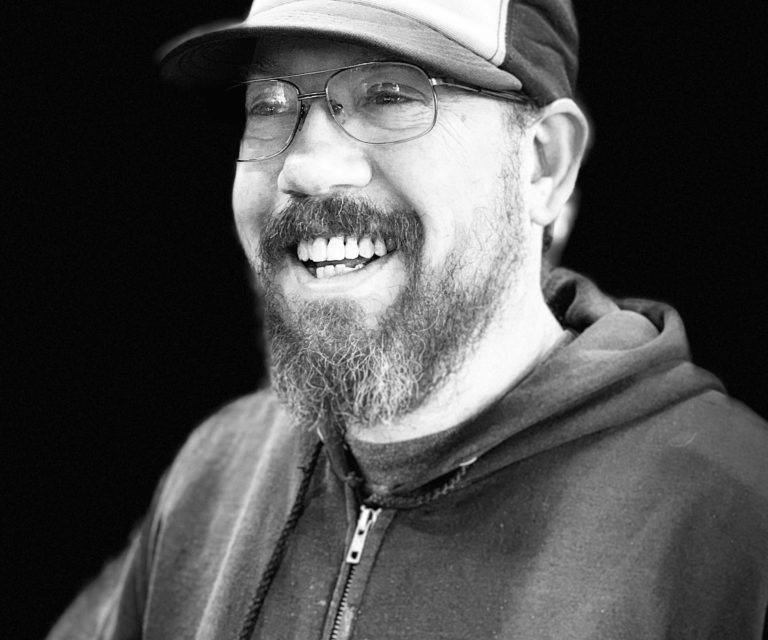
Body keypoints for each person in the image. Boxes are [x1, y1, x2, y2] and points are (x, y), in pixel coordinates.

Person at [47, 1, 768, 638]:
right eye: (269, 104)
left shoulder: (735, 516)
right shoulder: (216, 473)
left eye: (390, 95)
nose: (307, 167)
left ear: (543, 166)